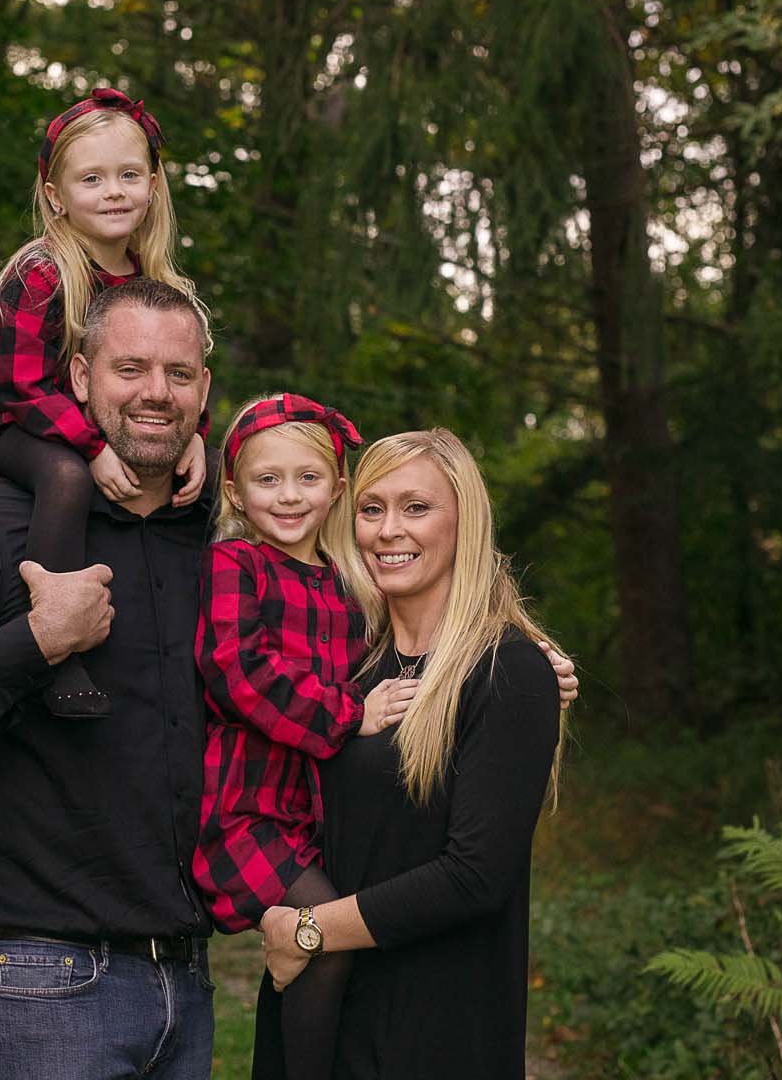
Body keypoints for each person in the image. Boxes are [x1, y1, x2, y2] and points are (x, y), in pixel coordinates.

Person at [0, 280, 218, 1079]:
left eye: (180, 373)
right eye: (130, 368)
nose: (156, 393)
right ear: (82, 378)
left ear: (205, 389)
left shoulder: (219, 539)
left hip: (187, 982)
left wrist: (503, 664)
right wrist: (35, 641)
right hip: (37, 979)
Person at [252, 429, 568, 1080]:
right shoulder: (344, 674)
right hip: (318, 1021)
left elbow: (475, 876)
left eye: (416, 507)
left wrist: (307, 931)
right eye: (371, 509)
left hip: (434, 1031)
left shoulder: (505, 671)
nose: (388, 530)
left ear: (465, 522)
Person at [192, 394, 423, 1080]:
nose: (289, 497)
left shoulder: (351, 583)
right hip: (242, 812)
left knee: (312, 955)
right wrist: (350, 715)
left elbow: (440, 615)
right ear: (234, 489)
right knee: (326, 937)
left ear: (339, 487)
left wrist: (536, 655)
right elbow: (236, 672)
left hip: (320, 812)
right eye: (268, 480)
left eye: (309, 479)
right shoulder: (236, 565)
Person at [0, 87, 208, 719]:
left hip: (89, 425)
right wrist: (92, 449)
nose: (114, 191)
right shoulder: (43, 273)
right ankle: (51, 637)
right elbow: (20, 388)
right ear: (55, 197)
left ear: (153, 184)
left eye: (129, 175)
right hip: (13, 425)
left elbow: (179, 375)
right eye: (92, 178)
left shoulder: (153, 281)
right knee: (66, 480)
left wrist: (198, 434)